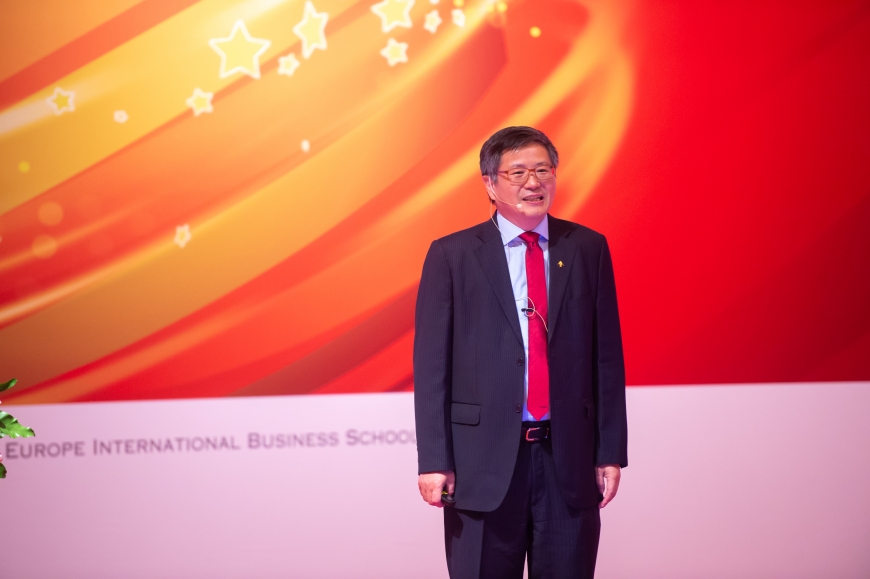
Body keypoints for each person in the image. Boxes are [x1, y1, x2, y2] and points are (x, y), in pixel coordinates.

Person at [413, 126, 627, 579]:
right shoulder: (452, 255)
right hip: (481, 464)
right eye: (518, 173)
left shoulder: (586, 247)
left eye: (543, 170)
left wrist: (609, 451)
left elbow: (606, 359)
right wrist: (435, 461)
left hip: (567, 460)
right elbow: (432, 368)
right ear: (490, 184)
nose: (534, 182)